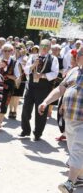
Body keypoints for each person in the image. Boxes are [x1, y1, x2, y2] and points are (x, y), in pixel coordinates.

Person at [38, 46, 83, 193]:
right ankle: (80, 178)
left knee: (77, 150)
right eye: (78, 53)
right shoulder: (74, 71)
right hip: (69, 119)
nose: (77, 56)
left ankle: (70, 183)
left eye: (81, 54)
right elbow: (60, 89)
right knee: (74, 151)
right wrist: (46, 101)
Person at [19, 39, 59, 141]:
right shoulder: (33, 57)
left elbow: (55, 73)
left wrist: (42, 75)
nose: (44, 48)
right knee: (26, 109)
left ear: (49, 48)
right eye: (42, 46)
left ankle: (37, 133)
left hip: (43, 88)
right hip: (31, 86)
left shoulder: (53, 59)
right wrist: (34, 65)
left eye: (46, 46)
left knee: (41, 111)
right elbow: (26, 70)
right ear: (39, 46)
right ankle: (25, 130)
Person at [0, 43, 19, 131]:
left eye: (9, 51)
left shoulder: (15, 62)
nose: (7, 52)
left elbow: (16, 76)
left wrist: (7, 76)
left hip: (8, 87)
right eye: (5, 50)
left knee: (4, 105)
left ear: (12, 51)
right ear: (2, 51)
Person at [9, 43, 28, 119]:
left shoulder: (24, 57)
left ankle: (15, 111)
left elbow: (25, 63)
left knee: (16, 97)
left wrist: (23, 54)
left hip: (21, 79)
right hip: (12, 78)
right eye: (16, 47)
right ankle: (10, 110)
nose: (18, 49)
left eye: (20, 48)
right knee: (11, 96)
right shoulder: (12, 57)